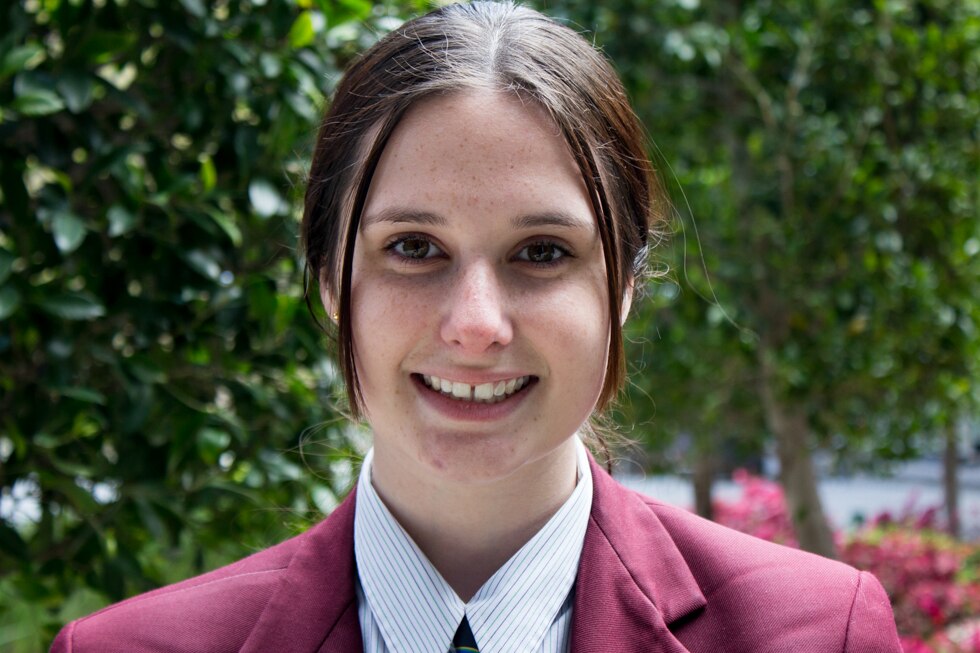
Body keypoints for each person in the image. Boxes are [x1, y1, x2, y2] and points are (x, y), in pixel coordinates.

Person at [52, 2, 902, 652]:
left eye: (541, 251)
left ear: (626, 286)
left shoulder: (818, 633)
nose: (476, 324)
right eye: (414, 247)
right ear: (328, 278)